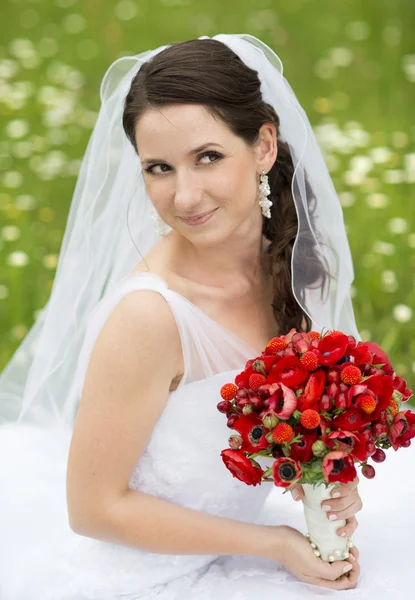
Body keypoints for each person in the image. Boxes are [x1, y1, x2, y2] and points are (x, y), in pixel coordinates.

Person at [0, 34, 413, 600]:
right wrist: (274, 544)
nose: (185, 196)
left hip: (243, 541)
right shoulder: (150, 316)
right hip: (145, 575)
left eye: (208, 157)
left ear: (264, 145)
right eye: (159, 168)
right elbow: (93, 510)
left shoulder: (290, 260)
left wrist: (322, 482)